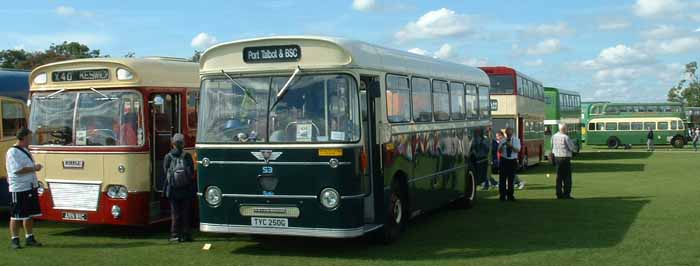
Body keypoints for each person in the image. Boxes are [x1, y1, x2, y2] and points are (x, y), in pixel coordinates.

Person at [5, 128, 43, 249]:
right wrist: (34, 167)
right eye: (29, 137)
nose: (30, 140)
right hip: (19, 188)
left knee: (29, 214)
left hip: (30, 186)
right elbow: (17, 170)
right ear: (24, 138)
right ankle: (15, 240)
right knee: (16, 215)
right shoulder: (13, 152)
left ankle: (29, 237)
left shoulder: (25, 150)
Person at [163, 133, 196, 242]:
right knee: (186, 212)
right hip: (186, 189)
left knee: (175, 213)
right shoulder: (187, 156)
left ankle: (175, 235)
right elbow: (191, 173)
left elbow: (165, 171)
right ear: (183, 144)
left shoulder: (168, 156)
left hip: (173, 189)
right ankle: (186, 234)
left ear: (173, 144)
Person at [552, 123, 575, 199]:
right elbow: (571, 148)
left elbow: (552, 146)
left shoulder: (554, 136)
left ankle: (558, 194)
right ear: (564, 129)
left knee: (559, 177)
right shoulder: (566, 137)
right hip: (565, 158)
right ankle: (566, 194)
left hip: (556, 157)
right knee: (567, 177)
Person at [498, 127, 520, 201]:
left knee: (511, 179)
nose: (509, 135)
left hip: (512, 160)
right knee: (502, 179)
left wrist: (511, 146)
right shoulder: (502, 140)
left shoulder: (516, 140)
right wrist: (502, 145)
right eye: (507, 134)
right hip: (504, 160)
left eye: (510, 134)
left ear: (512, 133)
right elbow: (499, 151)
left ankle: (510, 195)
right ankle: (502, 196)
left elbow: (518, 150)